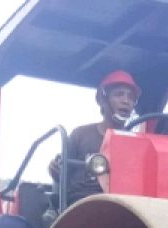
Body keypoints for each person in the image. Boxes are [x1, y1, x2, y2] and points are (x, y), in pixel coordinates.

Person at [50, 70, 141, 206]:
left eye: (131, 97)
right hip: (83, 203)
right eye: (119, 94)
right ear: (102, 100)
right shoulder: (80, 134)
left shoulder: (137, 143)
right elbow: (61, 174)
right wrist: (55, 167)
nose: (126, 101)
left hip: (124, 203)